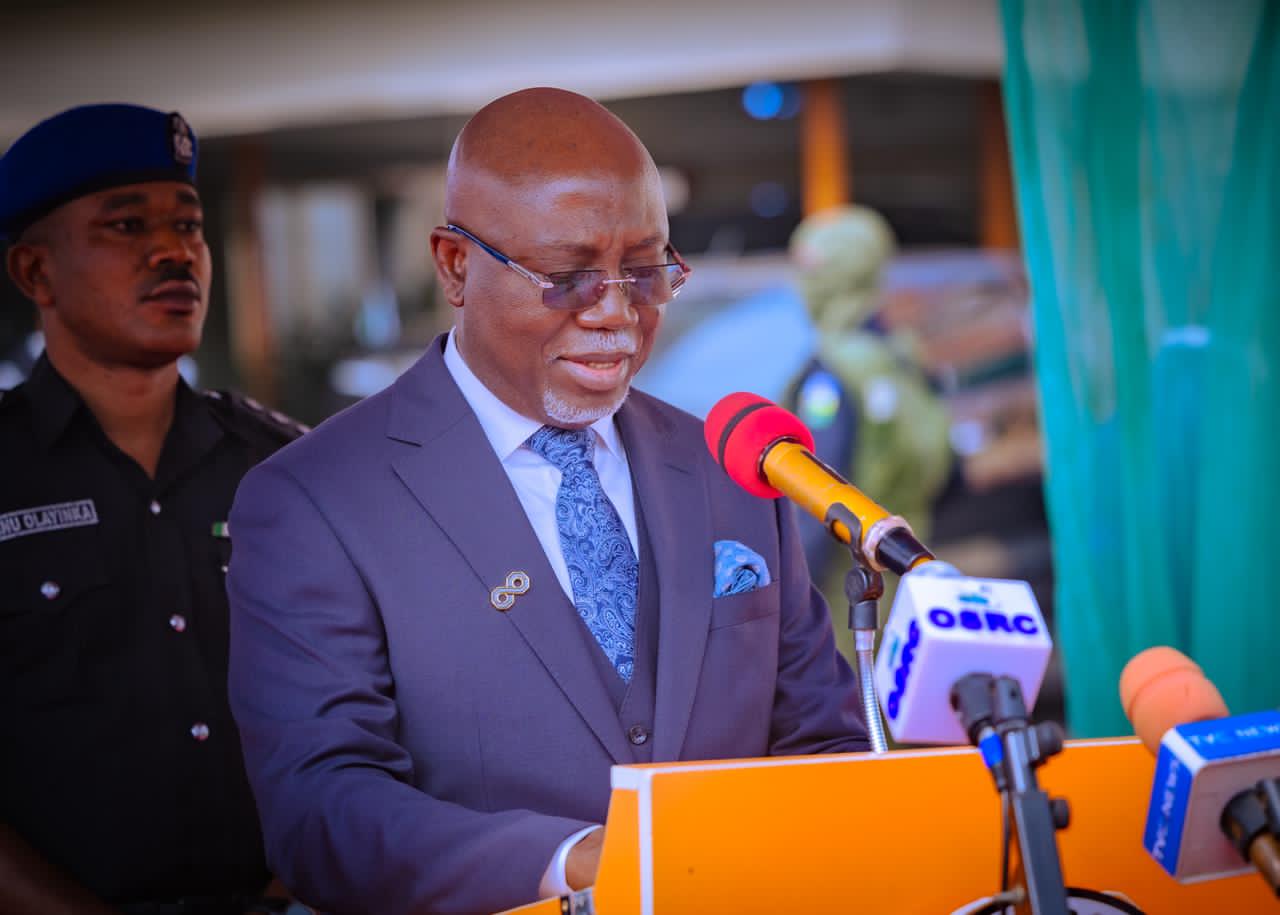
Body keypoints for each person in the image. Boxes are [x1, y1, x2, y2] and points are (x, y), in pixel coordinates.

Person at [225, 87, 870, 915]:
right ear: (455, 267)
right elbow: (322, 812)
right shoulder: (315, 501)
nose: (617, 313)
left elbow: (825, 738)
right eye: (568, 278)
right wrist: (572, 861)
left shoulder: (729, 469)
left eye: (646, 271)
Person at [0, 104, 305, 914]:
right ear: (35, 273)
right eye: (128, 225)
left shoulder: (281, 468)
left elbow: (374, 702)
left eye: (189, 224)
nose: (174, 251)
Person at [782, 205, 954, 650]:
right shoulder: (898, 357)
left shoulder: (832, 374)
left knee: (852, 691)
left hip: (846, 595)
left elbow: (816, 496)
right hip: (901, 573)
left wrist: (789, 605)